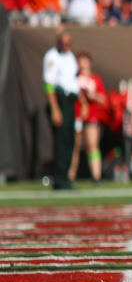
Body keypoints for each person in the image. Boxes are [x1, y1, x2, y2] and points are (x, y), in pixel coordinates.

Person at [42, 31, 79, 190]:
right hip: (60, 100)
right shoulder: (52, 56)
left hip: (71, 100)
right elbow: (49, 84)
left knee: (70, 140)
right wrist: (55, 109)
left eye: (69, 42)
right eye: (64, 42)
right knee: (61, 141)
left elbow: (73, 80)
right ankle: (60, 178)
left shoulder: (70, 56)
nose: (66, 46)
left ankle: (66, 176)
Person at [70, 51, 106, 185]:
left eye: (85, 60)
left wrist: (93, 95)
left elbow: (103, 99)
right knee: (74, 147)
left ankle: (96, 176)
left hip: (91, 116)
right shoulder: (74, 78)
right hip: (77, 116)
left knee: (93, 145)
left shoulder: (95, 79)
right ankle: (70, 176)